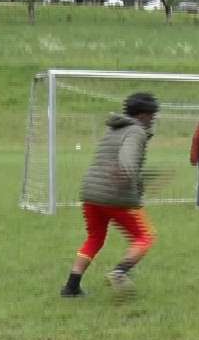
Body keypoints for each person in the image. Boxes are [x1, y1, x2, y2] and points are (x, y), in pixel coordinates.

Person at [60, 93, 159, 297]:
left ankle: (71, 286)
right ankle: (120, 272)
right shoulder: (136, 132)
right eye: (152, 114)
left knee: (95, 238)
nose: (153, 119)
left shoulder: (113, 129)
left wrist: (138, 181)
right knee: (145, 237)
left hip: (90, 193)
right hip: (115, 196)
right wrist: (128, 176)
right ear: (142, 115)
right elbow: (128, 161)